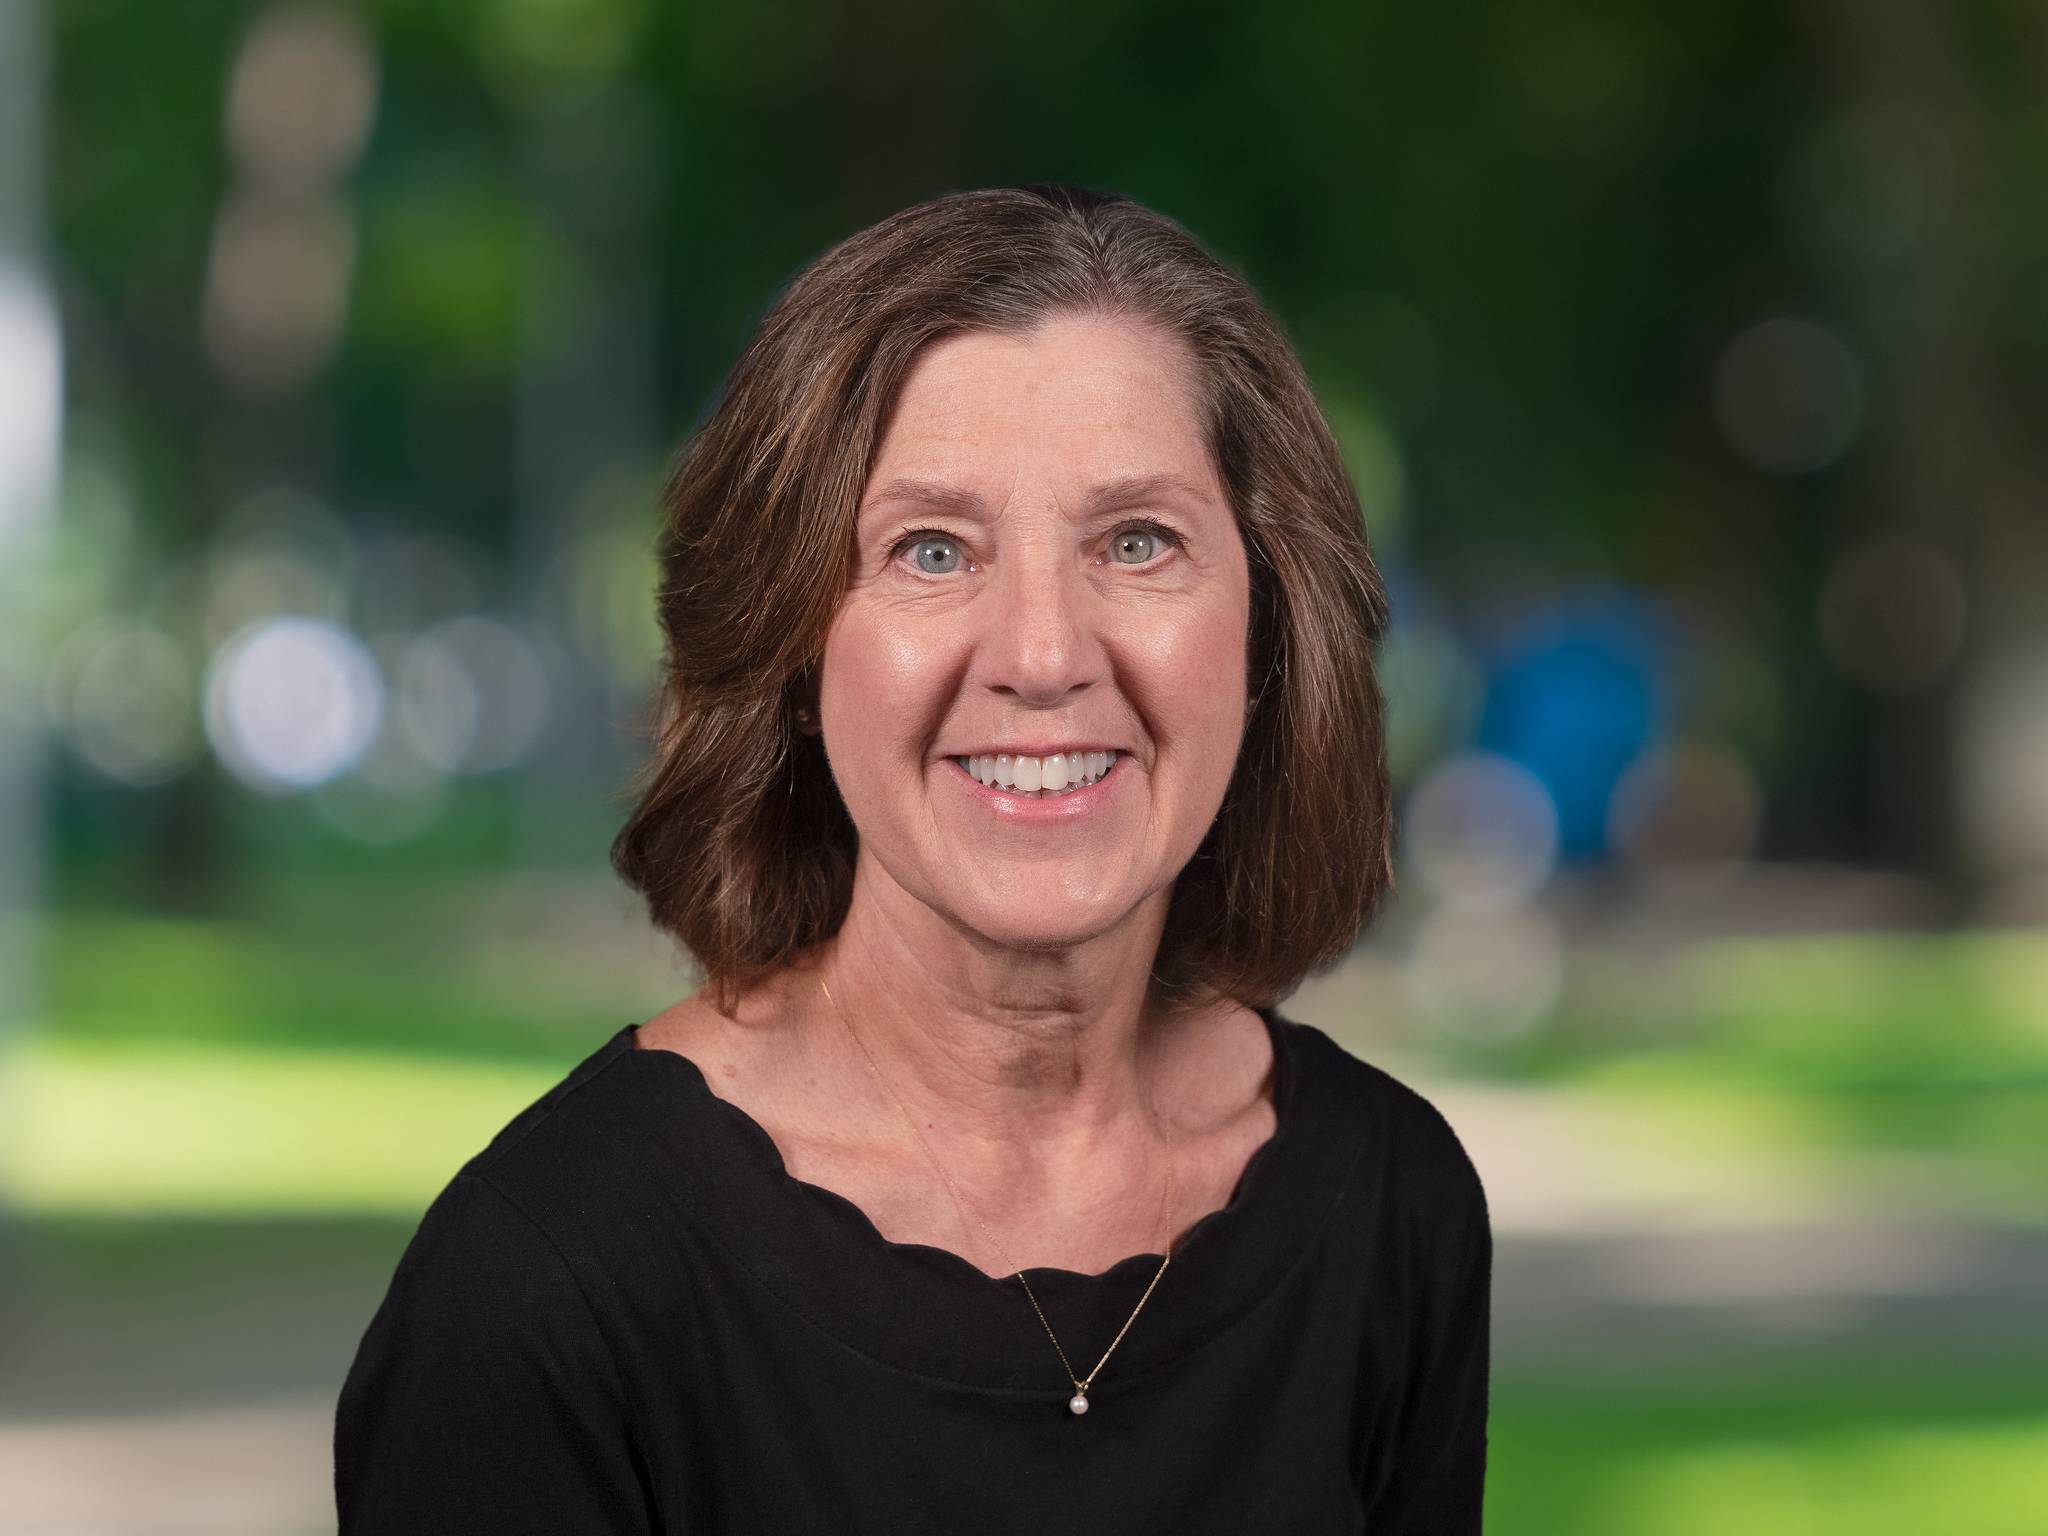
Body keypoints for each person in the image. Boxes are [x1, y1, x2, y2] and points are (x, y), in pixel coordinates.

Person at [334, 183, 1491, 1533]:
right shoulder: (547, 1280)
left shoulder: (1391, 1208)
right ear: (798, 651)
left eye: (1137, 542)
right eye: (930, 551)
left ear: (1268, 627)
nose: (1044, 656)